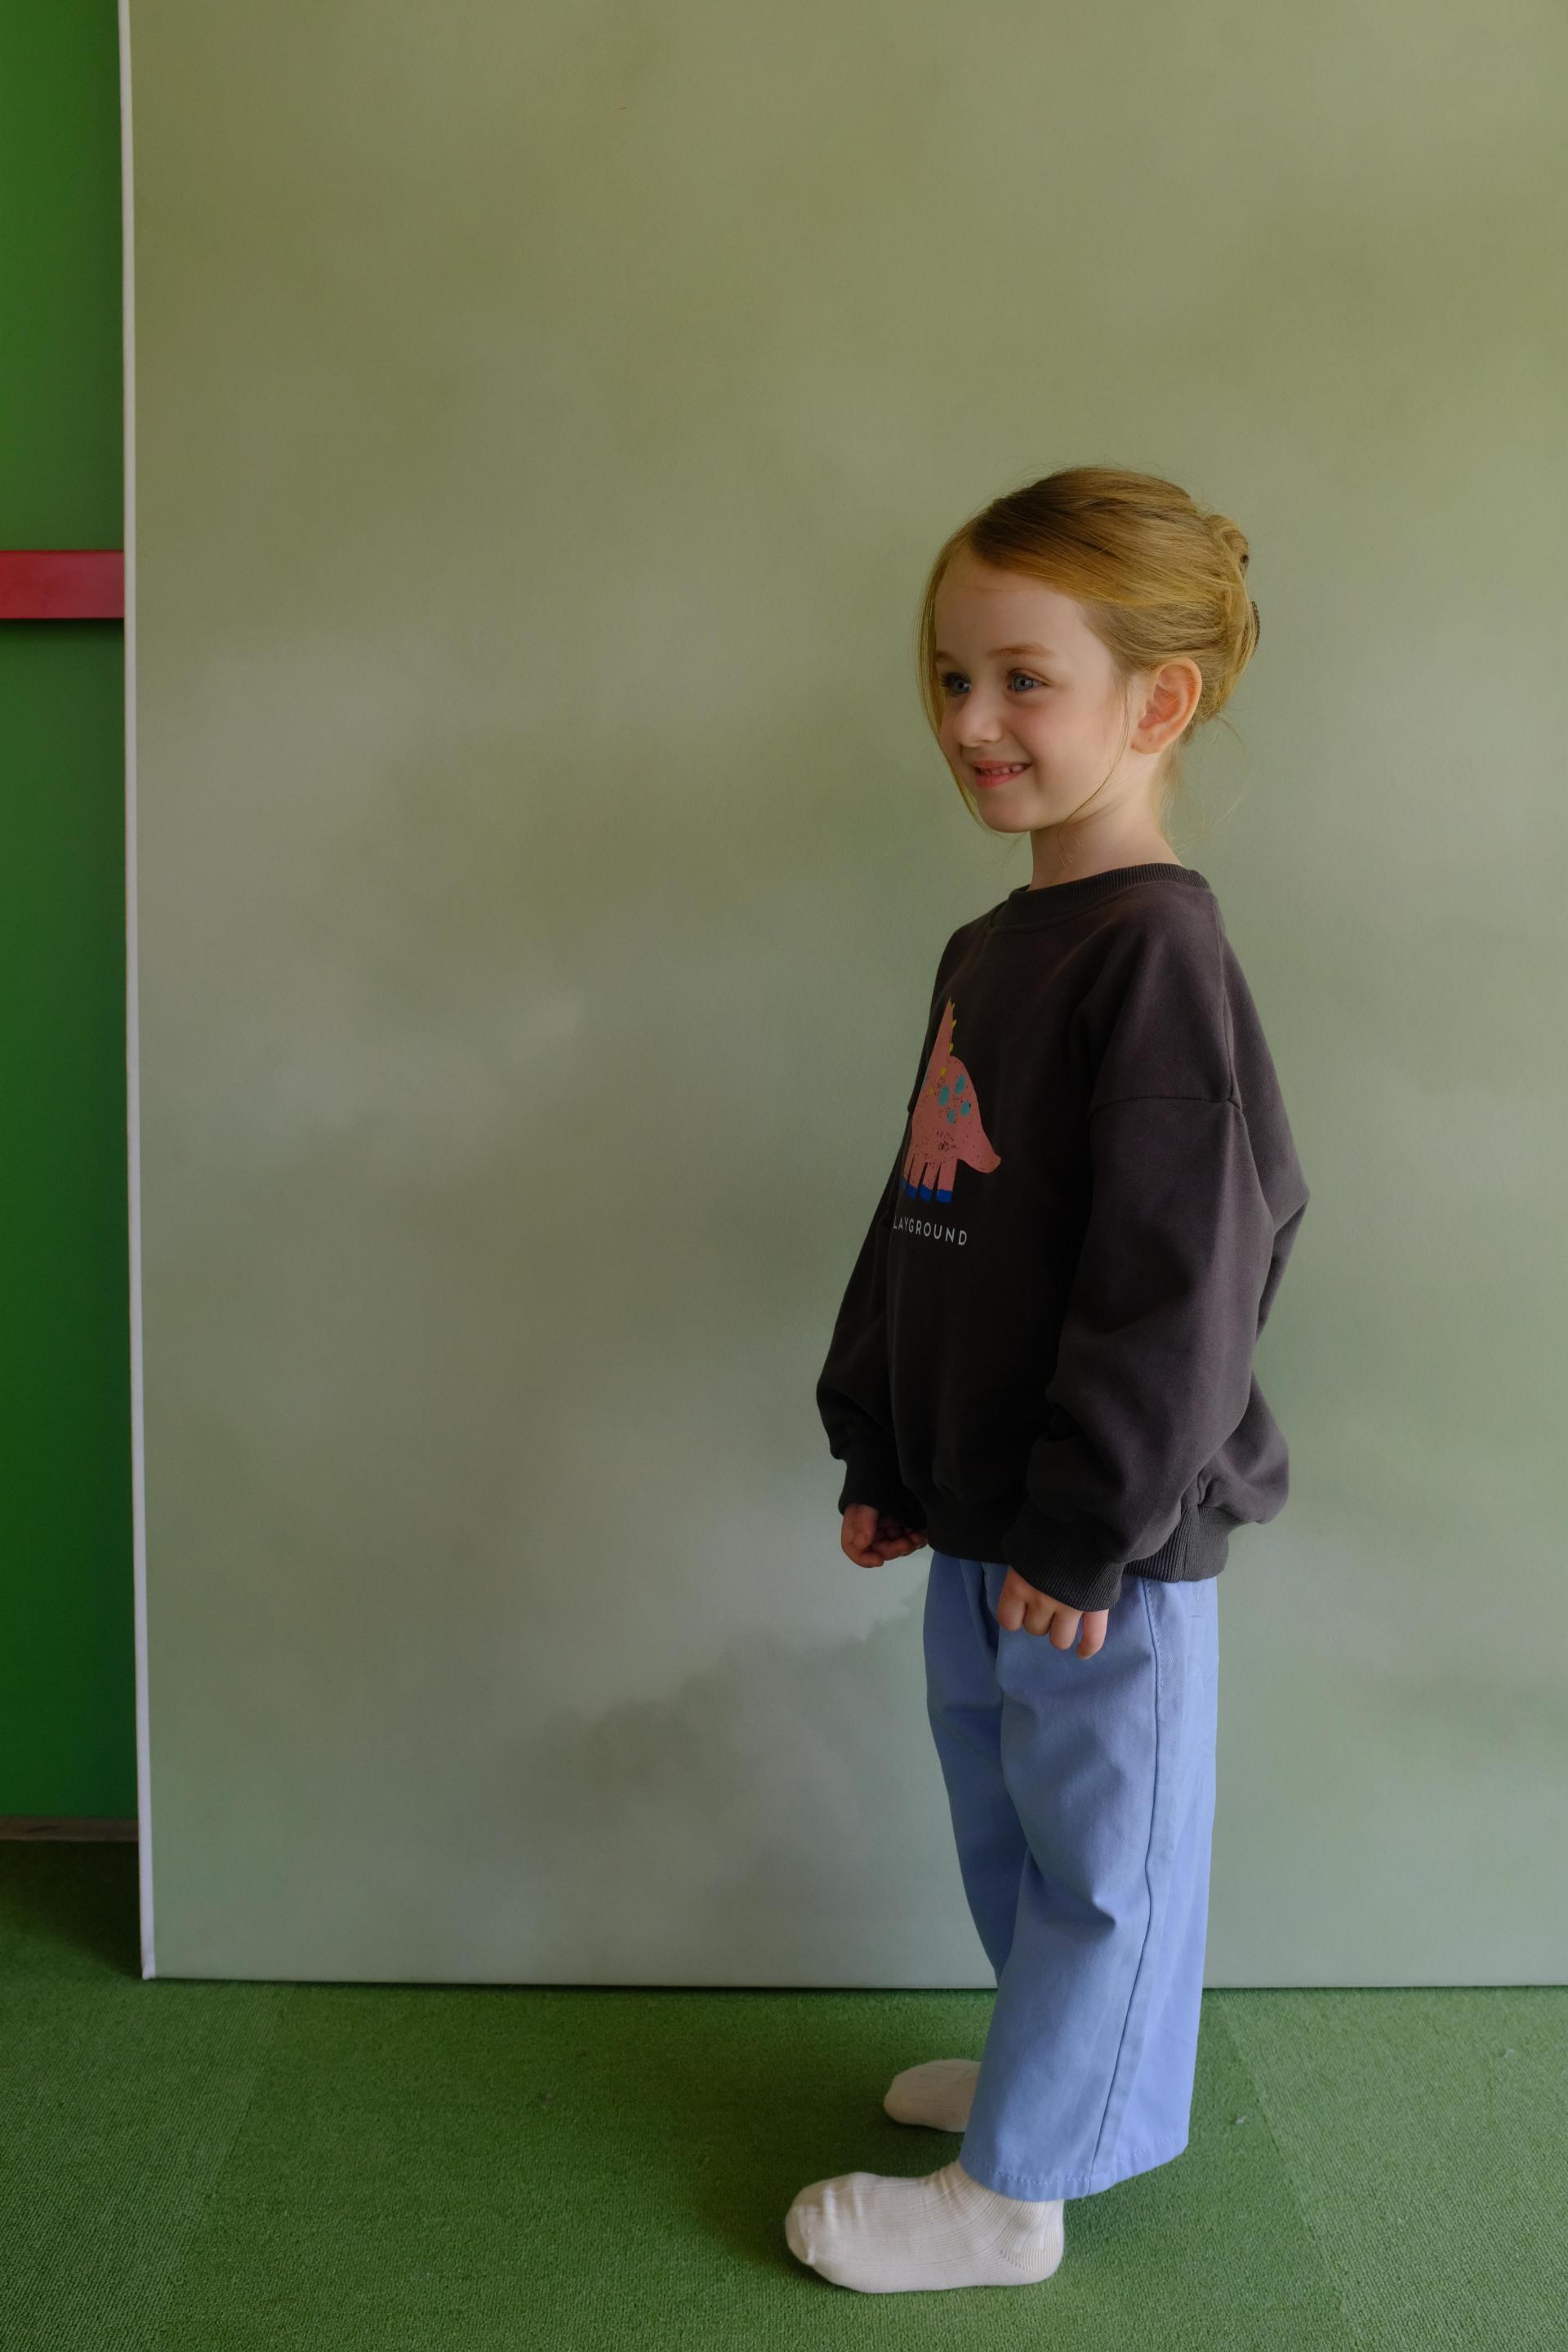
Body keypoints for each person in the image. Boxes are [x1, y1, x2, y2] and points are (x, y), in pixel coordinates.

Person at [786, 464, 1311, 2295]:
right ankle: (1045, 2077)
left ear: (1156, 704)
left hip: (1097, 1541)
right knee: (1001, 1811)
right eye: (952, 678)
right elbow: (926, 1206)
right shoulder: (997, 944)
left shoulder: (1159, 956)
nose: (972, 721)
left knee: (1102, 1855)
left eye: (1025, 679)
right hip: (985, 1504)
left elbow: (1182, 1283)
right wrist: (880, 1439)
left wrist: (1088, 1524)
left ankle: (1017, 2196)